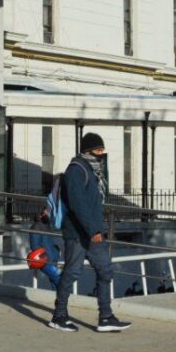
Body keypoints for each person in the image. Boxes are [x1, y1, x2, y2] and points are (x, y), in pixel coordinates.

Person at [47, 133, 130, 332]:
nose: (102, 155)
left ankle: (106, 317)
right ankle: (59, 315)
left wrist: (95, 229)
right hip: (78, 233)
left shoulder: (93, 171)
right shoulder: (76, 170)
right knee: (72, 272)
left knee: (105, 270)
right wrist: (93, 230)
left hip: (94, 232)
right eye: (98, 151)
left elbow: (93, 202)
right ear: (87, 151)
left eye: (102, 151)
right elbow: (78, 205)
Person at [28, 209, 62, 289]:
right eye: (45, 212)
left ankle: (58, 300)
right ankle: (64, 300)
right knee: (61, 281)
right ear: (40, 214)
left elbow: (50, 244)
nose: (48, 214)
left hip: (51, 260)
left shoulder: (47, 225)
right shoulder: (36, 227)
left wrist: (56, 251)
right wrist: (47, 257)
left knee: (55, 283)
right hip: (46, 262)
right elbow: (35, 247)